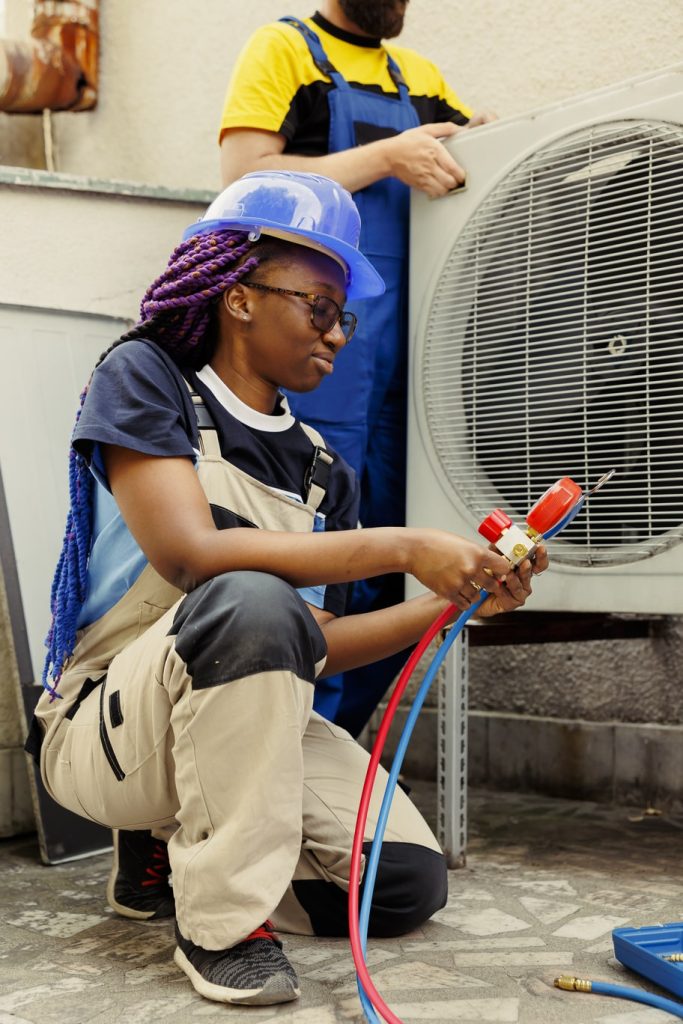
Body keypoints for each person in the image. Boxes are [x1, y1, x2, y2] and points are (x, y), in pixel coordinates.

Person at [26, 170, 546, 1007]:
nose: (337, 334)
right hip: (110, 720)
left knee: (403, 887)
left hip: (248, 702)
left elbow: (310, 645)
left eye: (344, 316)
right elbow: (195, 557)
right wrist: (405, 545)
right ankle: (220, 927)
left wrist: (453, 605)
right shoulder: (148, 376)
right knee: (248, 593)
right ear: (237, 296)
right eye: (318, 308)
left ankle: (174, 854)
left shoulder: (320, 471)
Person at [219, 0, 493, 734]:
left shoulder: (423, 80)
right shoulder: (285, 50)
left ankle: (331, 742)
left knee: (391, 565)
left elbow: (476, 167)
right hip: (318, 359)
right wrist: (385, 156)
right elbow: (244, 177)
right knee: (311, 558)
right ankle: (273, 738)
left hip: (411, 370)